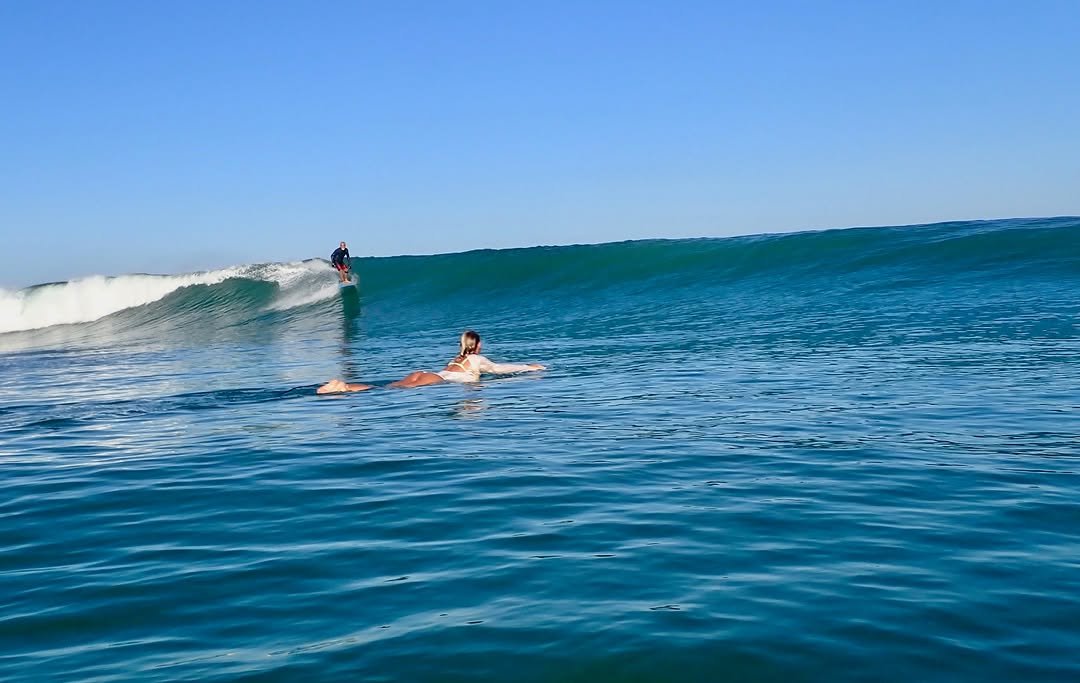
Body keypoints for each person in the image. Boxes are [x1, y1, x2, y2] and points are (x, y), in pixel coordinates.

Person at [316, 330, 545, 394]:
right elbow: (497, 369)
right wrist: (528, 367)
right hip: (435, 379)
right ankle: (343, 387)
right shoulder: (475, 359)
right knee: (386, 391)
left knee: (387, 387)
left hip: (425, 373)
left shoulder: (456, 359)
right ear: (476, 345)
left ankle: (344, 386)